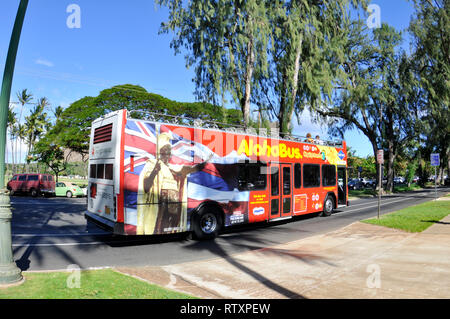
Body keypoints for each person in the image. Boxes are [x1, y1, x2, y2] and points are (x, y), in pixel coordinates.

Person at [136, 132, 207, 235]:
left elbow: (188, 170)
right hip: (161, 203)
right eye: (164, 151)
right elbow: (146, 187)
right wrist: (154, 172)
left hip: (174, 204)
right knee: (160, 226)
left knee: (171, 226)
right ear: (159, 152)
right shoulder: (152, 164)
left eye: (169, 152)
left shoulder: (173, 168)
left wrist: (204, 163)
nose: (167, 155)